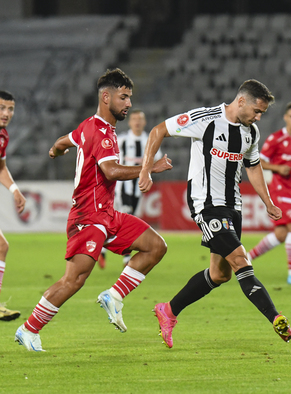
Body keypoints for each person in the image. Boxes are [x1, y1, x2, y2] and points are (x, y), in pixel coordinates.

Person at [15, 69, 173, 352]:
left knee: (155, 246)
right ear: (105, 96)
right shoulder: (101, 132)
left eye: (129, 98)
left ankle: (114, 295)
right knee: (74, 279)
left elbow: (66, 139)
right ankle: (28, 329)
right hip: (88, 216)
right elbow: (110, 170)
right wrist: (150, 167)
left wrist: (55, 149)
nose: (128, 104)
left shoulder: (91, 126)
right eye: (123, 97)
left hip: (108, 215)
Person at [139, 79, 291, 349]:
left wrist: (267, 202)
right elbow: (159, 130)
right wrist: (145, 169)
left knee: (220, 274)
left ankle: (168, 310)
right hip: (206, 205)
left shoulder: (251, 133)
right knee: (240, 260)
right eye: (257, 111)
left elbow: (253, 166)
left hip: (233, 207)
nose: (258, 117)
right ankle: (276, 317)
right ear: (241, 101)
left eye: (262, 114)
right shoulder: (206, 119)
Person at [247, 102, 291, 285]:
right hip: (278, 188)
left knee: (281, 233)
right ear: (285, 117)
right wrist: (278, 168)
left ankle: (245, 258)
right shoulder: (275, 139)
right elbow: (259, 162)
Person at [99, 109, 162, 267]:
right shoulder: (121, 140)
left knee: (129, 216)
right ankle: (126, 257)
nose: (137, 122)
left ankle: (103, 246)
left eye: (140, 119)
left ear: (144, 122)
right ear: (130, 122)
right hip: (122, 186)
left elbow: (158, 159)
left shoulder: (150, 140)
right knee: (126, 216)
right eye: (134, 119)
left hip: (138, 187)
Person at [0, 90, 26, 321]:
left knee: (1, 247)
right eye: (1, 108)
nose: (6, 113)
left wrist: (14, 190)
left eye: (10, 109)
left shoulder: (2, 136)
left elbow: (1, 168)